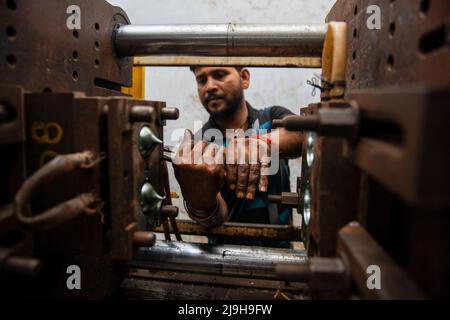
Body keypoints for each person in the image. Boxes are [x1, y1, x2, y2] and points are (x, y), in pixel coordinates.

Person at [173, 66, 303, 247]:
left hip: (281, 253)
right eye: (202, 80)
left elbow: (300, 137)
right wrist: (202, 202)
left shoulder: (271, 118)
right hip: (224, 257)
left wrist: (261, 144)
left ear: (244, 78)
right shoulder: (199, 144)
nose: (209, 86)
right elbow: (215, 219)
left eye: (220, 75)